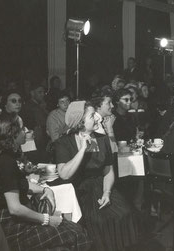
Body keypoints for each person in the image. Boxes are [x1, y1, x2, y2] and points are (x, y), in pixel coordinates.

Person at [0, 113, 91, 251]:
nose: (26, 131)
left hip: (8, 220)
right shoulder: (5, 162)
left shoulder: (0, 156)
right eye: (22, 128)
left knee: (74, 229)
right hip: (10, 226)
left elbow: (19, 185)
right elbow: (15, 209)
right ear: (12, 133)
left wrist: (45, 189)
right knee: (75, 233)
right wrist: (47, 219)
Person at [54, 101, 138, 250]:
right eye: (92, 116)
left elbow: (108, 171)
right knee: (98, 220)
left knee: (124, 212)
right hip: (79, 190)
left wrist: (107, 192)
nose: (98, 119)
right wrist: (82, 150)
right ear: (80, 121)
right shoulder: (64, 143)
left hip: (101, 186)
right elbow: (64, 174)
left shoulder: (102, 139)